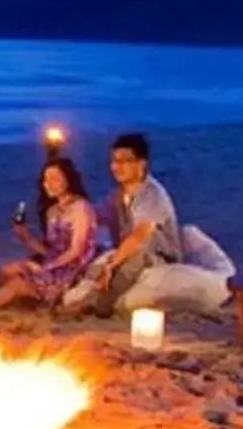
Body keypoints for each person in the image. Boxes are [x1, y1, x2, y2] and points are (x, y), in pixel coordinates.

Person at [69, 132, 184, 316]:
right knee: (98, 257)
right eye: (114, 161)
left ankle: (99, 307)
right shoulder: (118, 196)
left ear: (142, 164)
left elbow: (141, 234)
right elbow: (94, 215)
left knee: (136, 254)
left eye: (125, 161)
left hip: (160, 256)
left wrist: (112, 265)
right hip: (129, 249)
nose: (117, 167)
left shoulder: (151, 195)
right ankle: (75, 295)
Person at [0, 157, 98, 310]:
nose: (49, 184)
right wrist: (26, 237)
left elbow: (77, 250)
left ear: (68, 179)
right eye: (46, 179)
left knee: (17, 284)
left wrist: (47, 267)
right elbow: (50, 250)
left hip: (71, 269)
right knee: (6, 270)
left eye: (55, 179)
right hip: (54, 263)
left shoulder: (81, 208)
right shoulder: (52, 211)